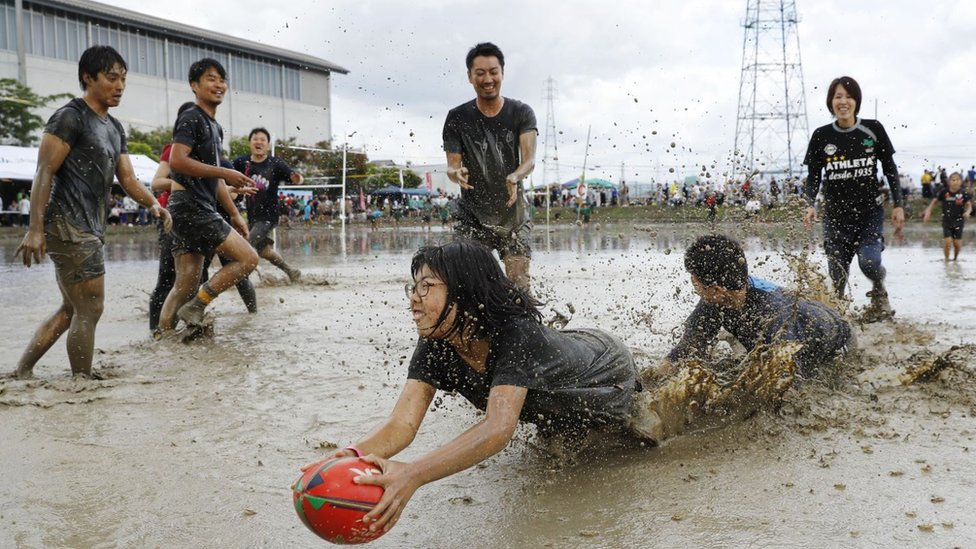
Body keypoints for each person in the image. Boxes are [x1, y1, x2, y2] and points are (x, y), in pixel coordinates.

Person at [12, 45, 171, 379]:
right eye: (112, 78)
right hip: (68, 226)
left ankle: (22, 371)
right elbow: (44, 172)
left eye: (123, 79)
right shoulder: (70, 117)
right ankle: (82, 384)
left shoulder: (114, 128)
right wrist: (35, 228)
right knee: (91, 307)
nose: (120, 86)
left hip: (90, 228)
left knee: (73, 308)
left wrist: (153, 204)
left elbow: (127, 178)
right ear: (88, 77)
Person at [657, 235, 854, 381]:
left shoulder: (773, 315)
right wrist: (655, 378)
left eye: (694, 280)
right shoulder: (716, 300)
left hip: (838, 341)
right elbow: (688, 347)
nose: (694, 286)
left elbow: (791, 382)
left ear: (715, 289)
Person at [157, 58, 258, 336]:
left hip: (192, 207)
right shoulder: (191, 116)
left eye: (222, 80)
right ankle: (198, 305)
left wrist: (236, 214)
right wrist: (225, 172)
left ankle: (162, 342)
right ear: (194, 85)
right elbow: (177, 161)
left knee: (185, 285)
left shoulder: (215, 126)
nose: (219, 85)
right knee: (249, 259)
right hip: (191, 207)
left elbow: (214, 179)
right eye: (211, 79)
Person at [802, 76, 905, 322]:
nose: (843, 101)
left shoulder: (873, 129)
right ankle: (838, 323)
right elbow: (813, 176)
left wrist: (899, 204)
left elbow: (890, 169)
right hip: (835, 216)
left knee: (869, 262)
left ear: (856, 101)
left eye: (848, 96)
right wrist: (809, 204)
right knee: (837, 273)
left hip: (869, 212)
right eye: (838, 97)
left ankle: (879, 290)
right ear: (831, 102)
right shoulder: (821, 136)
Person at [443, 42, 537, 290]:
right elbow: (452, 167)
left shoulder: (521, 112)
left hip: (513, 216)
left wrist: (516, 176)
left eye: (493, 72)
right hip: (472, 219)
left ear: (502, 73)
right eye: (480, 73)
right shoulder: (457, 117)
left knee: (519, 289)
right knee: (467, 289)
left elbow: (529, 160)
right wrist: (456, 172)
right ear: (470, 77)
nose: (488, 79)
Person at [232, 127, 302, 282]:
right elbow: (227, 178)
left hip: (269, 216)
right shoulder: (241, 162)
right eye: (255, 139)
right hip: (252, 216)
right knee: (264, 251)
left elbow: (293, 176)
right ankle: (291, 272)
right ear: (250, 143)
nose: (259, 142)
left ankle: (237, 280)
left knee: (244, 245)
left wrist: (297, 178)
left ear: (268, 145)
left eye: (262, 140)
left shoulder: (275, 163)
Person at [923, 171, 972, 261]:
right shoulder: (944, 192)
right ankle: (946, 260)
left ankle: (955, 258)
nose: (955, 182)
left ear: (961, 182)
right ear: (949, 182)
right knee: (947, 242)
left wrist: (968, 212)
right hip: (947, 221)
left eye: (957, 180)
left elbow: (969, 205)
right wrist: (928, 211)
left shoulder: (963, 193)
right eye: (953, 180)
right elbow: (934, 202)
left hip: (959, 221)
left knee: (957, 244)